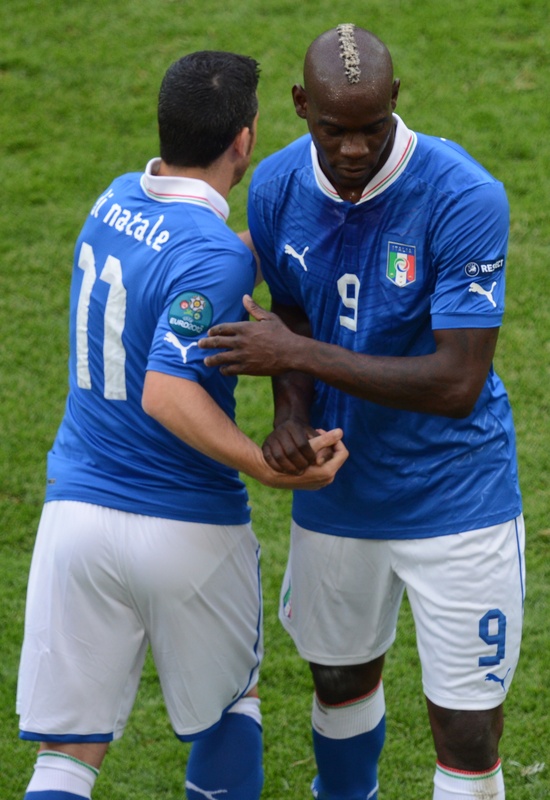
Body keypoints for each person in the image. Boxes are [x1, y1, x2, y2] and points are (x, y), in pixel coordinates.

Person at [198, 25, 525, 800]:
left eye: (371, 128)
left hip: (457, 497)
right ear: (300, 106)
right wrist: (290, 419)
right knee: (339, 680)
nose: (352, 148)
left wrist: (296, 359)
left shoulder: (463, 195)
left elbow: (457, 382)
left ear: (397, 103)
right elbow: (295, 315)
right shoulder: (278, 186)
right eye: (333, 129)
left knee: (468, 728)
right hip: (340, 490)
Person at [16, 50, 348, 800]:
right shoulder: (209, 260)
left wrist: (253, 254)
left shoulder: (112, 203)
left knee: (67, 755)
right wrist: (264, 465)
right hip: (184, 528)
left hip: (76, 522)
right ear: (245, 139)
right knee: (231, 714)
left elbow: (178, 276)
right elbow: (168, 393)